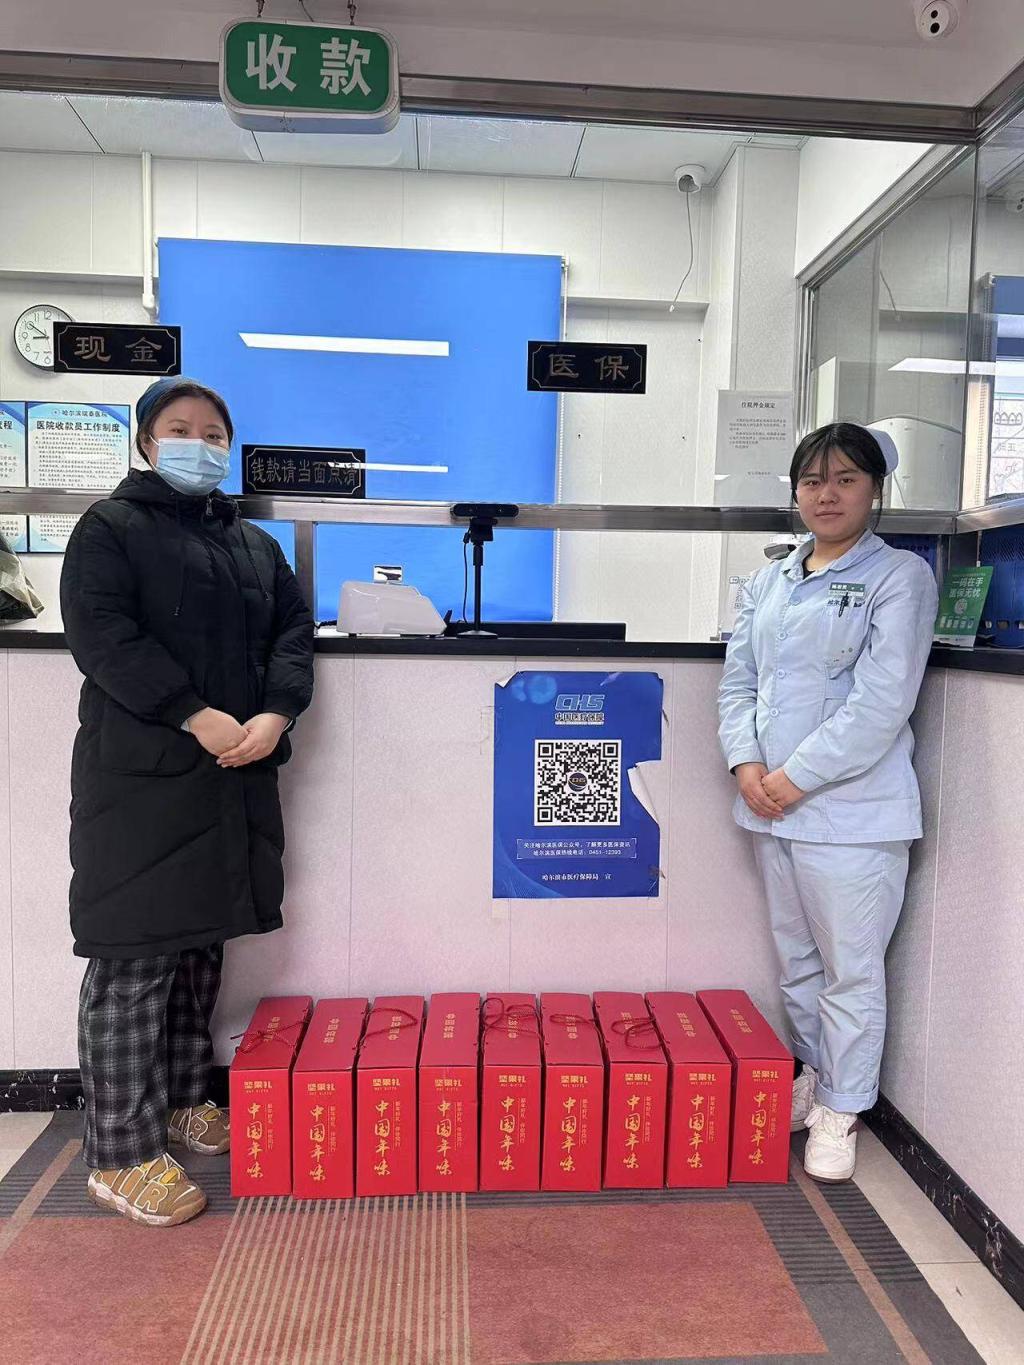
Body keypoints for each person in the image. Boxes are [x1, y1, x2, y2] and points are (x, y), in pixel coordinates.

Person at [60, 376, 315, 1226]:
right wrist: (194, 713)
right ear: (145, 441)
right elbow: (102, 637)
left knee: (199, 947)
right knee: (134, 959)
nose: (198, 444)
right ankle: (119, 1154)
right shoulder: (109, 529)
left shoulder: (252, 546)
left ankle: (178, 1103)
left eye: (213, 433)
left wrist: (277, 713)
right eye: (179, 429)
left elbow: (293, 633)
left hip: (232, 776)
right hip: (140, 780)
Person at [718, 422, 938, 1183]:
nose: (827, 494)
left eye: (846, 479)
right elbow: (739, 682)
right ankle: (815, 1079)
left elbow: (882, 703)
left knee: (850, 970)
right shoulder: (771, 581)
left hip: (852, 813)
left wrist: (795, 776)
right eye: (813, 481)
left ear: (875, 489)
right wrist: (746, 763)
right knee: (797, 964)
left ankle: (843, 1111)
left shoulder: (899, 576)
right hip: (771, 805)